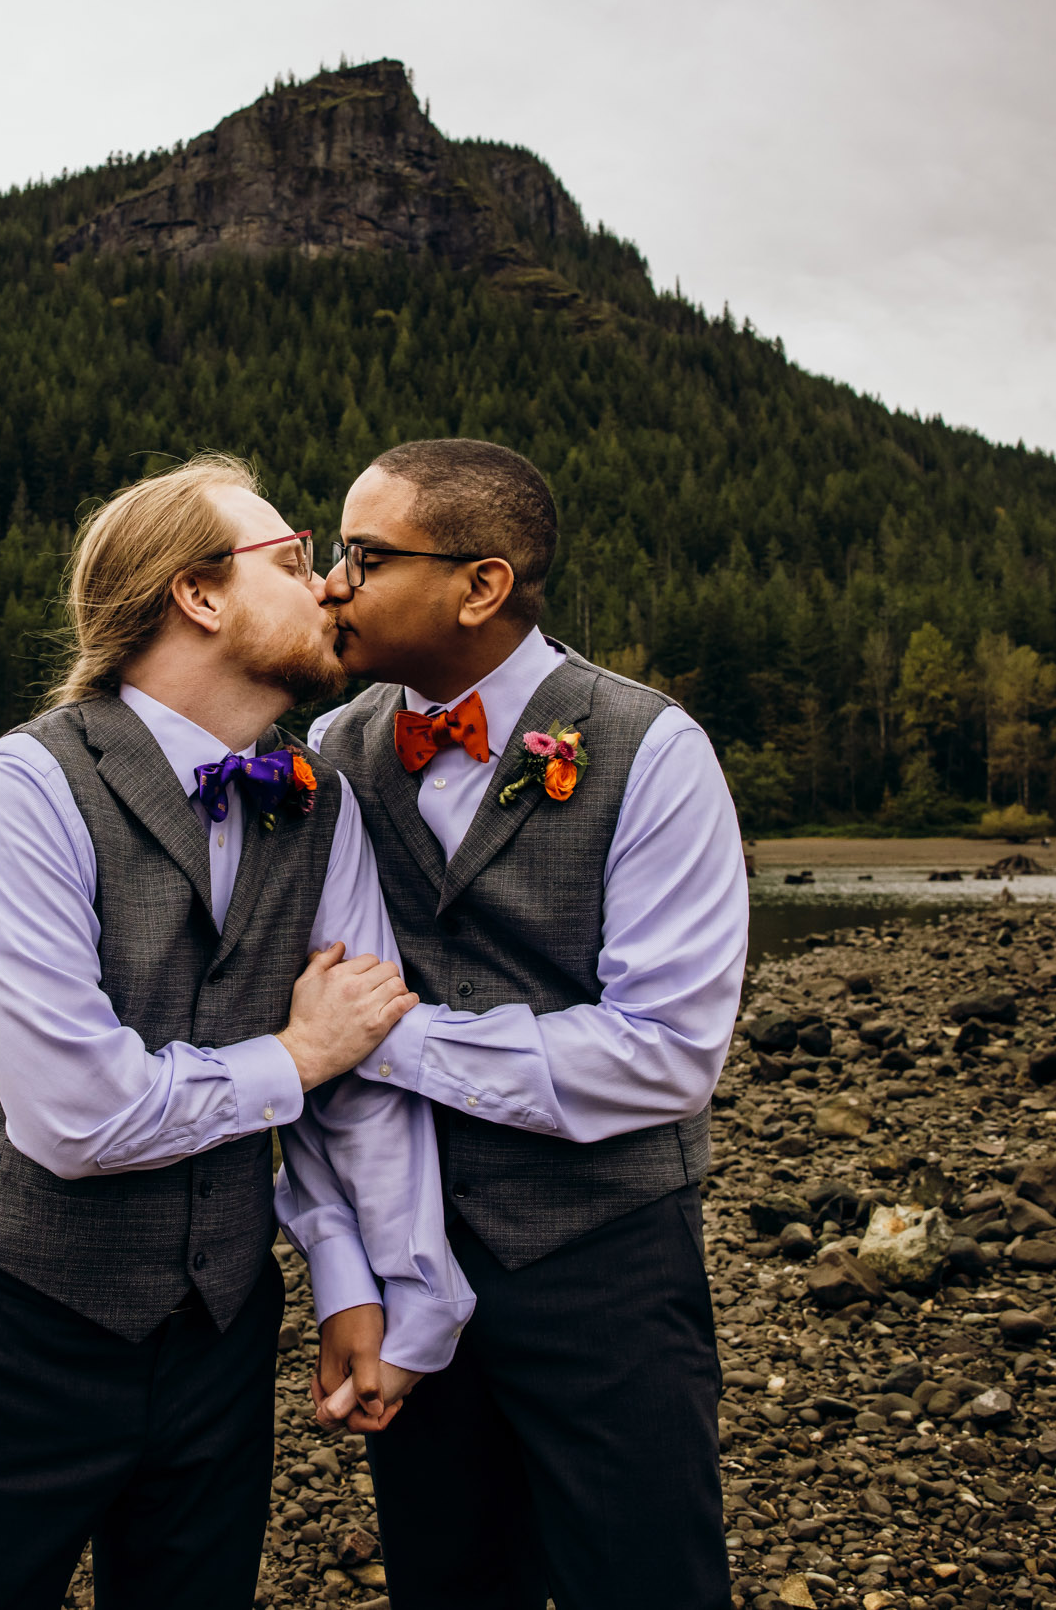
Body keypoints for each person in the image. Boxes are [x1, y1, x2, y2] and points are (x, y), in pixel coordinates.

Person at [0, 453, 473, 1610]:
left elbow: (360, 1067)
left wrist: (366, 1281)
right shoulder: (24, 788)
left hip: (220, 1324)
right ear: (196, 595)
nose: (332, 587)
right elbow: (76, 1112)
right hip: (19, 1314)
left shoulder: (323, 798)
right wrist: (292, 1055)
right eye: (298, 559)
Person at [308, 438, 748, 1610]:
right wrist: (347, 1259)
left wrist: (384, 1038)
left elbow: (665, 1052)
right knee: (445, 1583)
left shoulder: (652, 749)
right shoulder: (328, 752)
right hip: (415, 1258)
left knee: (649, 1579)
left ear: (480, 584)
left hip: (606, 1257)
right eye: (327, 552)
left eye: (362, 555)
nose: (328, 582)